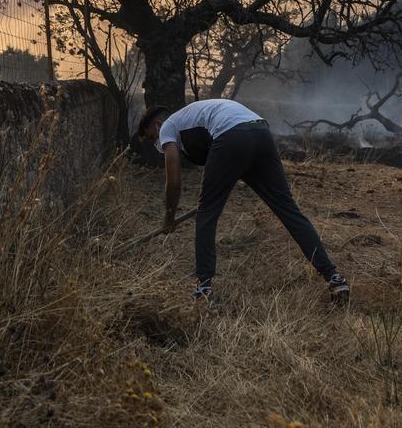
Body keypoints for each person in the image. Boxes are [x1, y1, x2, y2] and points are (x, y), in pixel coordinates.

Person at [137, 99, 350, 303]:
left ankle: (203, 288)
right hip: (260, 132)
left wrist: (169, 217)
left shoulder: (167, 127)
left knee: (206, 215)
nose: (156, 144)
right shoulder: (190, 118)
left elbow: (174, 180)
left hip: (231, 136)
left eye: (151, 138)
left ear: (157, 125)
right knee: (288, 210)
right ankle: (334, 277)